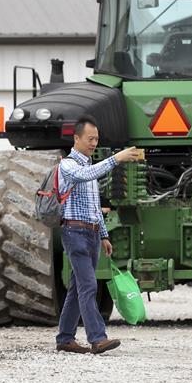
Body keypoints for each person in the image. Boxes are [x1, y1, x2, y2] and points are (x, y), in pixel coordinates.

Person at [55, 116, 140, 355]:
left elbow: (95, 207)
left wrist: (104, 235)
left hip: (91, 234)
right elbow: (85, 175)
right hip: (75, 233)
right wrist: (116, 159)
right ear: (77, 138)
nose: (94, 143)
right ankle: (97, 338)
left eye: (97, 139)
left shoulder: (90, 167)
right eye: (90, 139)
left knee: (77, 287)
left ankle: (65, 338)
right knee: (88, 286)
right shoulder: (69, 165)